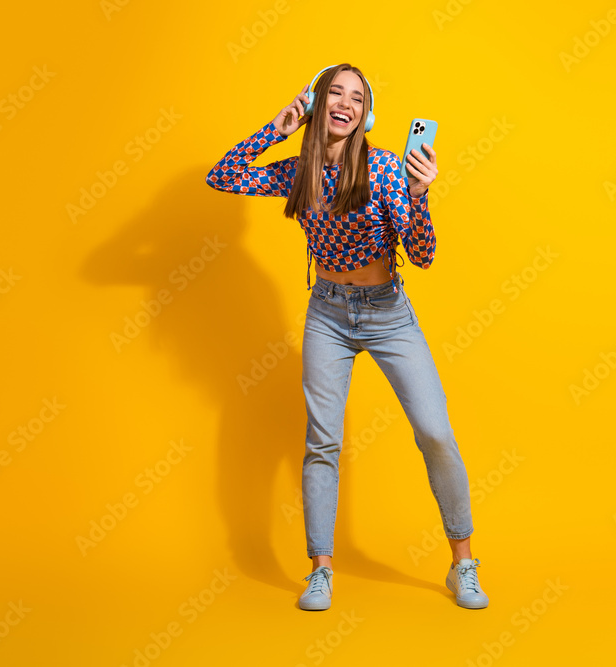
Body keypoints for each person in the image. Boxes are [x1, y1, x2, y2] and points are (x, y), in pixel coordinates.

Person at [205, 63, 487, 611]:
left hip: (387, 313)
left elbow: (423, 255)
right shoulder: (298, 172)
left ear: (365, 115)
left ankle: (463, 564)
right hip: (328, 315)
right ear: (317, 102)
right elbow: (223, 175)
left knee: (434, 431)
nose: (344, 103)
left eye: (356, 99)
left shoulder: (382, 169)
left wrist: (420, 194)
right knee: (322, 443)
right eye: (334, 92)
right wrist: (278, 127)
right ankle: (321, 570)